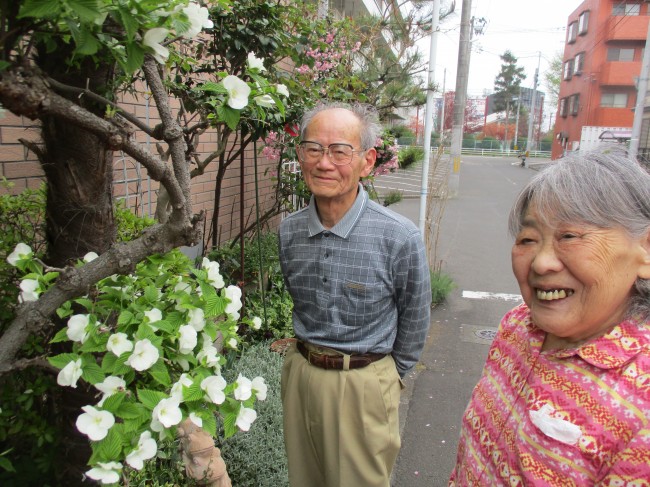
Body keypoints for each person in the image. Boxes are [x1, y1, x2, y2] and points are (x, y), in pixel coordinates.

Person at [449, 149, 650, 485]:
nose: (541, 263)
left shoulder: (641, 398)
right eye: (528, 239)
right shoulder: (517, 326)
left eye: (569, 236)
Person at [278, 102, 431, 487]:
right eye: (313, 149)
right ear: (300, 155)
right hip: (301, 375)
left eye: (339, 151)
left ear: (367, 161)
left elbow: (415, 317)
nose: (324, 163)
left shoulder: (399, 237)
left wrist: (387, 377)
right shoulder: (289, 232)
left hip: (364, 381)